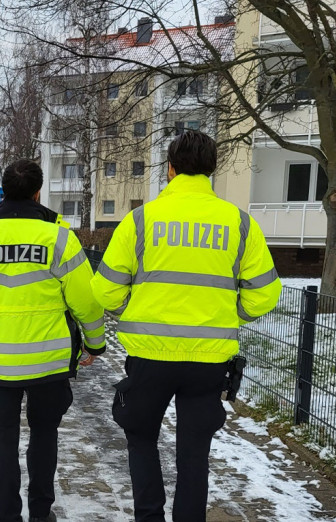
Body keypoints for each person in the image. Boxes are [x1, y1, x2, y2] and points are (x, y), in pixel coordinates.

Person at [91, 131, 282, 521]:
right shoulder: (239, 224)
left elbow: (105, 291)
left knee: (141, 437)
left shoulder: (140, 220)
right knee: (194, 451)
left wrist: (135, 308)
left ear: (170, 169)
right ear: (212, 170)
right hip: (209, 362)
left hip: (149, 359)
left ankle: (149, 516)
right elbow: (264, 293)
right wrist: (232, 315)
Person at [0, 159, 106, 522]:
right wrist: (94, 344)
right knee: (45, 437)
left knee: (2, 443)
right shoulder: (59, 238)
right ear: (37, 192)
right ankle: (41, 514)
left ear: (4, 191)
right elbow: (87, 302)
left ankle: (6, 514)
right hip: (48, 365)